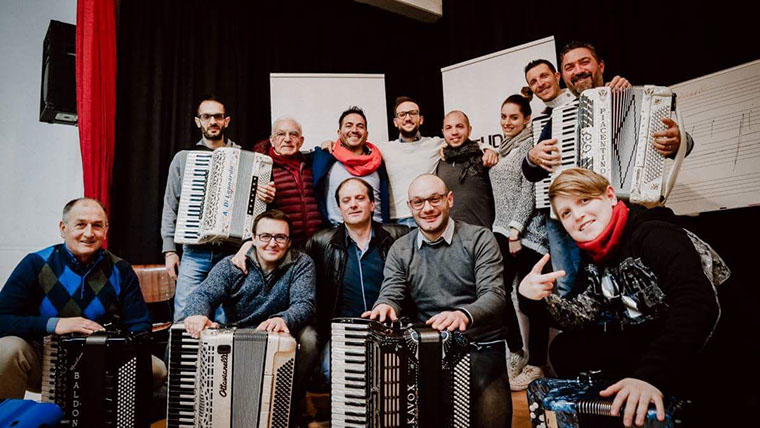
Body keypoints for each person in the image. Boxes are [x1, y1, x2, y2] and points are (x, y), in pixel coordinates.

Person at [519, 168, 722, 427]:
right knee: (566, 348)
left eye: (584, 200)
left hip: (705, 342)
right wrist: (531, 298)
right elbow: (582, 315)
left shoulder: (655, 233)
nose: (578, 215)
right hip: (647, 337)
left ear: (611, 196)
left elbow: (697, 305)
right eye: (566, 213)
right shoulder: (594, 255)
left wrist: (650, 376)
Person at [522, 43, 694, 298]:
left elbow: (680, 143)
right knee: (589, 294)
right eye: (569, 67)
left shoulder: (633, 95)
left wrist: (678, 141)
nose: (577, 71)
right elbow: (532, 172)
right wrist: (532, 157)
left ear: (600, 66)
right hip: (588, 226)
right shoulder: (559, 118)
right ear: (564, 76)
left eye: (584, 62)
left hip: (634, 217)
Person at [364, 174, 511, 428]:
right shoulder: (400, 248)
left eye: (435, 199)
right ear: (410, 207)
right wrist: (385, 304)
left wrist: (462, 314)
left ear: (449, 200)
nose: (427, 208)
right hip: (429, 347)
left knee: (492, 413)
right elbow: (392, 291)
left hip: (480, 343)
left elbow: (494, 295)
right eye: (418, 202)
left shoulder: (480, 238)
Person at [0, 198, 167, 398]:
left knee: (155, 369)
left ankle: (111, 412)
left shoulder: (121, 269)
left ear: (106, 230)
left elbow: (140, 327)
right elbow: (3, 319)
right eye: (80, 225)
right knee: (7, 349)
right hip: (44, 360)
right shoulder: (35, 264)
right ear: (63, 228)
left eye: (97, 225)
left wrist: (111, 342)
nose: (89, 233)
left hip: (104, 360)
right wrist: (55, 324)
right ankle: (11, 414)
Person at [180, 209, 318, 423]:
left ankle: (291, 403)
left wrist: (283, 319)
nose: (272, 243)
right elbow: (202, 294)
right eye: (265, 236)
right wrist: (198, 314)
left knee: (309, 338)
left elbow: (304, 303)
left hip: (282, 334)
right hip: (239, 334)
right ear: (253, 238)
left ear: (289, 241)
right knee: (189, 328)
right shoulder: (231, 265)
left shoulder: (302, 263)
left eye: (280, 237)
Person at [161, 95, 272, 321]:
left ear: (226, 121)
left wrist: (267, 197)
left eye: (218, 117)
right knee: (184, 316)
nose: (212, 121)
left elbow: (258, 211)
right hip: (194, 252)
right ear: (198, 121)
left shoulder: (248, 159)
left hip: (232, 252)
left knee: (226, 320)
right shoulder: (183, 158)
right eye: (206, 116)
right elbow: (170, 205)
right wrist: (170, 250)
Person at [301, 178, 409, 385]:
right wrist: (248, 246)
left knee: (396, 378)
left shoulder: (399, 237)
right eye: (346, 200)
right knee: (333, 374)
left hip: (392, 328)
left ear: (372, 204)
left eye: (360, 198)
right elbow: (288, 261)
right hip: (344, 332)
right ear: (340, 208)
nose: (353, 205)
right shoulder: (320, 242)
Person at [488, 93, 551, 390]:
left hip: (527, 235)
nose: (507, 122)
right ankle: (516, 352)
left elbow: (531, 189)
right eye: (503, 116)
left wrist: (516, 230)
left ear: (527, 119)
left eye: (514, 117)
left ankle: (537, 364)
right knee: (498, 296)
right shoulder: (505, 148)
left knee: (531, 301)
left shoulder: (530, 145)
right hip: (501, 231)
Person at [377, 97, 499, 226]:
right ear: (395, 122)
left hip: (429, 216)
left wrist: (488, 149)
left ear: (421, 119)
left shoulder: (435, 144)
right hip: (398, 220)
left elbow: (467, 143)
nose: (408, 118)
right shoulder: (384, 149)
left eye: (413, 113)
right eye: (402, 114)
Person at [251, 117, 324, 248]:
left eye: (293, 134)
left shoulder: (312, 163)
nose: (287, 139)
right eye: (281, 134)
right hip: (281, 246)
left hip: (316, 245)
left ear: (301, 141)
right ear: (272, 141)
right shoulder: (260, 169)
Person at [312, 106, 391, 226]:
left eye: (360, 126)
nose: (354, 130)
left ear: (366, 134)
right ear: (339, 133)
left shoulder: (377, 160)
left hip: (378, 231)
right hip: (338, 232)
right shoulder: (324, 157)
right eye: (348, 125)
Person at [435, 110, 496, 229]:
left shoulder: (485, 158)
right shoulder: (438, 161)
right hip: (450, 235)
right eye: (448, 128)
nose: (454, 132)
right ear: (443, 132)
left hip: (482, 233)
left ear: (469, 129)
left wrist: (490, 151)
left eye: (460, 126)